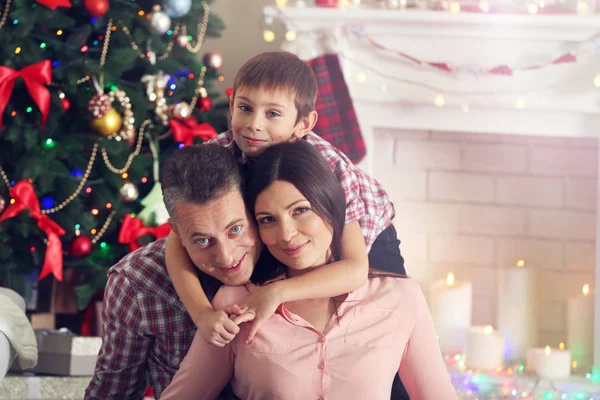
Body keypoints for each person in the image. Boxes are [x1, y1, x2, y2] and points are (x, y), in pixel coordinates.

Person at [160, 141, 457, 400]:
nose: (286, 234)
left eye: (300, 210)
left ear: (330, 203)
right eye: (267, 219)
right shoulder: (233, 304)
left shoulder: (401, 298)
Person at [166, 50, 404, 347]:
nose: (254, 124)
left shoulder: (329, 166)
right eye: (245, 108)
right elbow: (175, 242)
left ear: (303, 125)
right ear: (231, 105)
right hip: (283, 221)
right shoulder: (220, 154)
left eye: (273, 114)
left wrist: (279, 292)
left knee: (383, 321)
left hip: (368, 232)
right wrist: (202, 315)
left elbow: (355, 269)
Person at [85, 145, 275, 399]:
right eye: (203, 241)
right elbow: (113, 392)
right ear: (176, 232)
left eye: (235, 230)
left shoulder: (293, 257)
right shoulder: (137, 283)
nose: (227, 257)